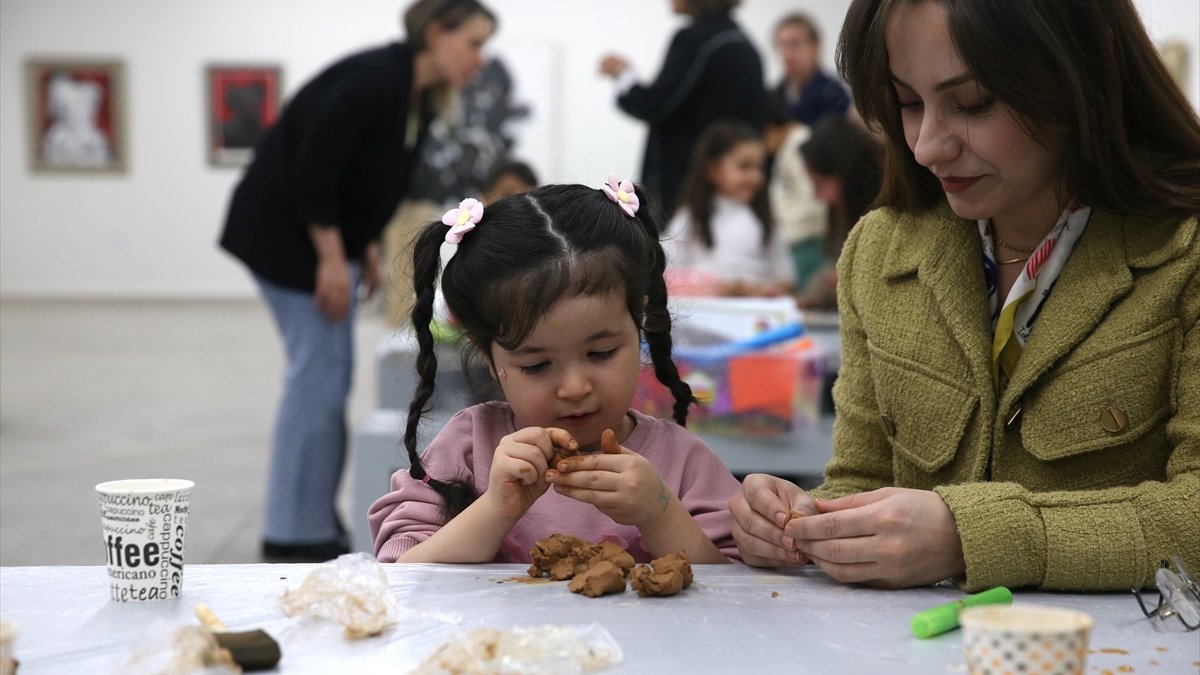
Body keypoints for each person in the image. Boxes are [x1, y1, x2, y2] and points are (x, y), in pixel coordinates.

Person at [731, 0, 1200, 592]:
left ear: (1080, 79)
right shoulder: (880, 252)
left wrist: (969, 537)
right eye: (907, 102)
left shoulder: (1184, 249)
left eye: (973, 102)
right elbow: (861, 476)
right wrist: (801, 522)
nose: (928, 145)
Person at [218, 0, 496, 563]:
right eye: (472, 43)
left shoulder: (409, 95)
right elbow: (314, 170)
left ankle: (310, 520)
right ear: (436, 33)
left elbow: (364, 179)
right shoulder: (371, 79)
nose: (478, 59)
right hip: (287, 240)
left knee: (327, 381)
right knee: (316, 382)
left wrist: (363, 246)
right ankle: (292, 535)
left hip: (321, 241)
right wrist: (328, 256)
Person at [368, 179, 742, 564]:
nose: (575, 387)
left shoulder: (681, 463)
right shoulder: (468, 448)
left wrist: (659, 511)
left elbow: (739, 594)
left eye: (601, 353)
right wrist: (496, 508)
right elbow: (399, 574)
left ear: (640, 325)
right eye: (537, 365)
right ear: (490, 359)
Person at [599, 0, 764, 219]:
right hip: (728, 194)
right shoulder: (746, 46)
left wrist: (623, 74)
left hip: (686, 191)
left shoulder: (696, 39)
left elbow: (654, 106)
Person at [664, 120, 794, 297]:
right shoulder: (691, 218)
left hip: (756, 317)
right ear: (713, 170)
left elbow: (785, 278)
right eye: (744, 167)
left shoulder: (764, 220)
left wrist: (763, 291)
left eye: (759, 167)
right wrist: (717, 287)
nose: (755, 177)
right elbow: (667, 276)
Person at [793, 116, 883, 310]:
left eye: (820, 184)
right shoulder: (842, 215)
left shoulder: (883, 219)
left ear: (847, 175)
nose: (817, 196)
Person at [763, 94, 828, 291]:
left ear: (770, 127)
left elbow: (815, 200)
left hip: (807, 241)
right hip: (796, 241)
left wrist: (784, 229)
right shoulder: (789, 147)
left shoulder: (800, 144)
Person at [770, 12, 850, 128]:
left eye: (794, 44)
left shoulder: (833, 95)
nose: (787, 54)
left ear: (815, 46)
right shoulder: (775, 96)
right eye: (782, 45)